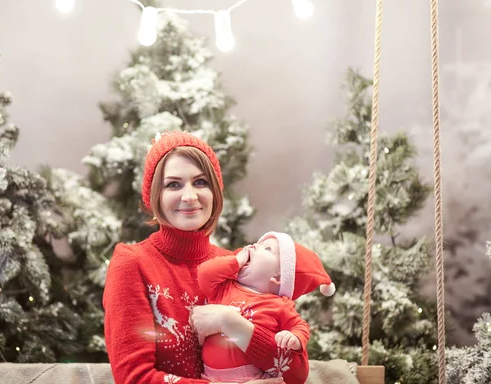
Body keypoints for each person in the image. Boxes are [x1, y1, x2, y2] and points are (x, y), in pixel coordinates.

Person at [103, 131, 284, 384]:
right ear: (155, 195)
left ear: (215, 191)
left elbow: (287, 367)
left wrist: (232, 323)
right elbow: (134, 378)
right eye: (173, 184)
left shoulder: (237, 267)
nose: (189, 197)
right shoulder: (132, 264)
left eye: (200, 182)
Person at [197, 231, 336, 383]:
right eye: (258, 243)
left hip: (252, 377)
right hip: (211, 378)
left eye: (267, 249)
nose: (254, 245)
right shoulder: (225, 287)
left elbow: (300, 325)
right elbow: (204, 273)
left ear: (277, 277)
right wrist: (236, 261)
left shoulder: (279, 304)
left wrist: (295, 338)